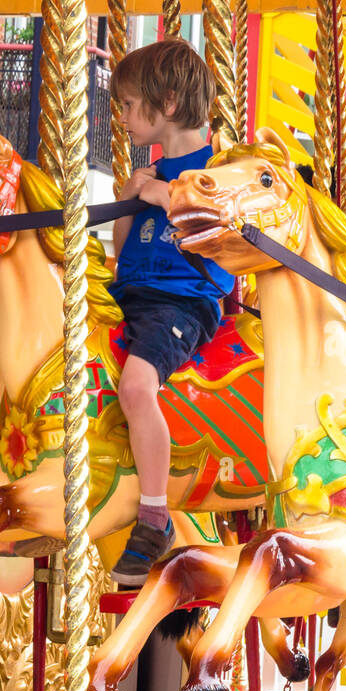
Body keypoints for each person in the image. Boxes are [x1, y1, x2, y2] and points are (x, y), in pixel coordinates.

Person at [105, 38, 235, 587]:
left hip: (181, 301)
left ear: (171, 102)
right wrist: (133, 197)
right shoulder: (150, 172)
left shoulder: (223, 168)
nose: (125, 118)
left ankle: (155, 515)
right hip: (130, 294)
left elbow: (218, 224)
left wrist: (160, 194)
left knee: (136, 387)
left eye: (132, 105)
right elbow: (120, 246)